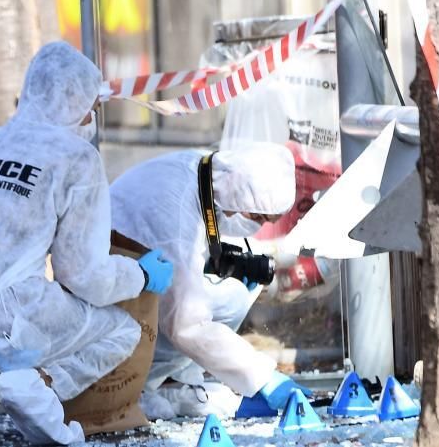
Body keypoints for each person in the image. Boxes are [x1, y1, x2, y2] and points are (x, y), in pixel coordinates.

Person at [0, 42, 175, 445]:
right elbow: (85, 276)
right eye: (91, 108)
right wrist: (141, 273)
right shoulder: (75, 158)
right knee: (121, 331)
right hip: (3, 330)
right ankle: (38, 389)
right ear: (77, 102)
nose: (92, 118)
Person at [109, 143, 308, 419]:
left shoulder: (208, 173)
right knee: (191, 315)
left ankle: (175, 380)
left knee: (232, 298)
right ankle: (139, 384)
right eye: (257, 216)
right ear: (237, 195)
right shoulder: (177, 216)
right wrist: (263, 377)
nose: (258, 226)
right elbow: (186, 324)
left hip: (135, 282)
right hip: (114, 307)